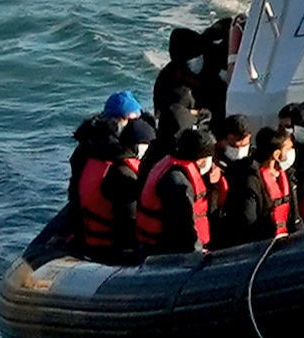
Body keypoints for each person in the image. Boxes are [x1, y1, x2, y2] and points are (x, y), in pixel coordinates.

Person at [72, 114, 153, 263]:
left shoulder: (95, 161)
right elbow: (129, 219)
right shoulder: (122, 174)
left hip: (92, 243)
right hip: (113, 250)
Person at [68, 90, 143, 237]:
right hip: (113, 244)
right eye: (132, 121)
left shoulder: (85, 149)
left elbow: (74, 194)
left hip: (87, 230)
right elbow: (129, 217)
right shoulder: (120, 169)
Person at [136, 127, 218, 254]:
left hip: (156, 245)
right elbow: (183, 230)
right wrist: (197, 256)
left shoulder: (169, 164)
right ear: (202, 160)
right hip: (164, 252)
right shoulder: (178, 185)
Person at [215, 126, 301, 247]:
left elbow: (296, 216)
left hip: (285, 244)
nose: (292, 152)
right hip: (262, 247)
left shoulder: (287, 175)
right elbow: (248, 221)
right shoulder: (251, 181)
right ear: (276, 154)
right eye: (289, 149)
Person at [153, 27, 226, 120]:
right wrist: (198, 113)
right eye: (191, 58)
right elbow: (166, 112)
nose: (197, 60)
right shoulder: (168, 79)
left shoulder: (212, 59)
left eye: (199, 56)